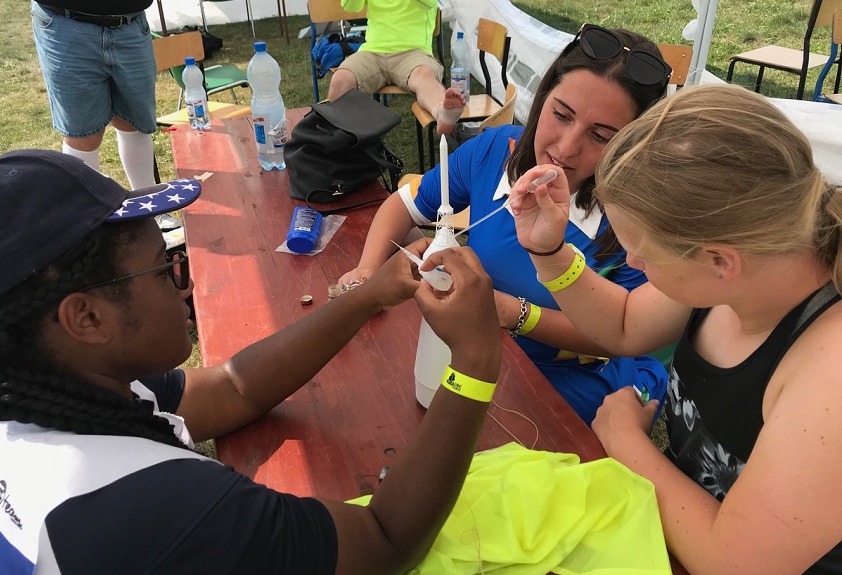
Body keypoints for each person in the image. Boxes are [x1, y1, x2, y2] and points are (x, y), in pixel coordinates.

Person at [0, 150, 502, 574]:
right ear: (85, 318)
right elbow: (384, 542)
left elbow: (232, 388)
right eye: (164, 269)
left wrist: (365, 296)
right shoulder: (156, 508)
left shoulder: (15, 393)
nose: (184, 288)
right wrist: (475, 360)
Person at [510, 83, 842, 573]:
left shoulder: (827, 374)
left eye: (641, 253)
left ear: (720, 260)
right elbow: (624, 325)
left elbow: (735, 561)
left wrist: (625, 441)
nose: (634, 263)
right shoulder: (751, 261)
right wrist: (548, 252)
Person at [340, 25, 672, 425]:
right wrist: (366, 270)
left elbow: (620, 336)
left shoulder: (637, 226)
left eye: (601, 136)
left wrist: (511, 312)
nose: (565, 148)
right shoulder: (497, 150)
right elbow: (405, 206)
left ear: (634, 146)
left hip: (566, 382)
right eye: (561, 115)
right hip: (475, 347)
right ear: (543, 97)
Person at [31, 1, 157, 189]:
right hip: (65, 22)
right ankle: (93, 216)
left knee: (135, 122)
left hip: (132, 21)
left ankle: (152, 206)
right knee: (82, 134)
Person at [327, 0, 465, 135]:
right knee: (341, 78)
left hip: (413, 52)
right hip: (372, 51)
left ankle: (442, 112)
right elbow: (350, 6)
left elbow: (429, 3)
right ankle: (331, 137)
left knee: (424, 76)